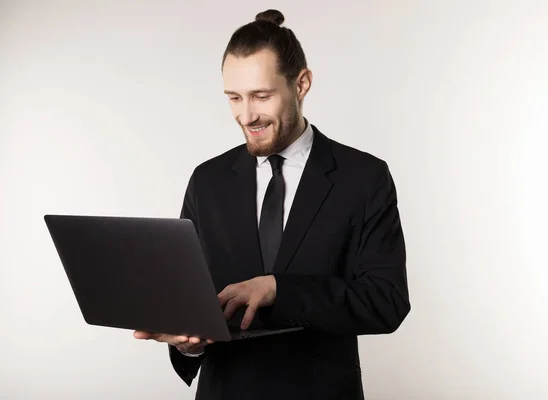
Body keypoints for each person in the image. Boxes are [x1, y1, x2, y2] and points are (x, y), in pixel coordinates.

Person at [134, 9, 410, 400]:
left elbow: (387, 301)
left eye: (261, 96)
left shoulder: (364, 177)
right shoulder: (207, 181)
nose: (246, 115)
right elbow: (193, 299)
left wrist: (280, 290)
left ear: (302, 84)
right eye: (234, 98)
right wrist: (186, 341)